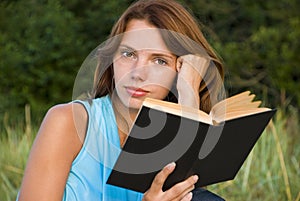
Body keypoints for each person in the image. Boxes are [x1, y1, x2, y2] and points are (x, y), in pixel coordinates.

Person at [17, 0, 225, 200]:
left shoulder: (171, 134)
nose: (137, 73)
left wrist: (188, 96)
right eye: (128, 54)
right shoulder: (68, 121)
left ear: (179, 71)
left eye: (159, 61)